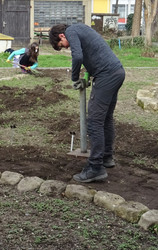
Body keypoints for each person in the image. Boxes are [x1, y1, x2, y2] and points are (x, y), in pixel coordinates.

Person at [49, 23, 125, 183]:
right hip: (117, 72)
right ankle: (107, 157)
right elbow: (92, 53)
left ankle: (95, 168)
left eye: (62, 45)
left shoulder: (70, 31)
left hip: (106, 75)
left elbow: (78, 56)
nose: (65, 47)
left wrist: (74, 78)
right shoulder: (81, 29)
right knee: (106, 119)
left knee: (94, 121)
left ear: (61, 36)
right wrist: (87, 74)